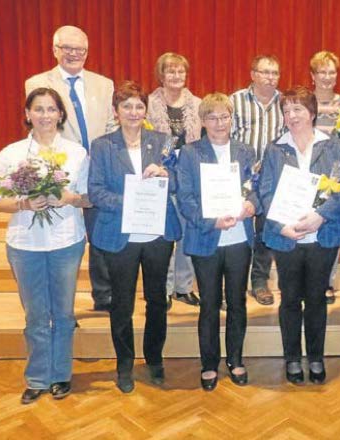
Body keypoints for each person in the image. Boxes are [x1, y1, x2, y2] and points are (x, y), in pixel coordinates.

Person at [0, 88, 91, 404]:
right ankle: (37, 377)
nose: (45, 115)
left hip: (65, 241)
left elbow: (88, 198)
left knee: (62, 313)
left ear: (61, 114)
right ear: (27, 114)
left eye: (51, 109)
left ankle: (61, 374)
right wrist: (24, 203)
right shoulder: (12, 154)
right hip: (25, 244)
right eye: (39, 109)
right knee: (35, 315)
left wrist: (68, 197)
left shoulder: (77, 153)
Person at [88, 81, 181, 393]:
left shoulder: (163, 141)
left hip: (157, 234)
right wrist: (130, 199)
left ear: (146, 110)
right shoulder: (102, 146)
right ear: (116, 111)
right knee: (122, 303)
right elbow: (96, 191)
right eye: (126, 106)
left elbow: (180, 182)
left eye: (139, 106)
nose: (133, 112)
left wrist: (167, 175)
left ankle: (154, 358)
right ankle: (124, 363)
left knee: (157, 300)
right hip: (120, 234)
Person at [258, 86, 340, 385]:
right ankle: (292, 358)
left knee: (316, 299)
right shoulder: (276, 149)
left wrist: (320, 216)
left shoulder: (333, 146)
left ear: (312, 113)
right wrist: (281, 225)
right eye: (287, 110)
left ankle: (316, 356)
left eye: (298, 109)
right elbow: (266, 192)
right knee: (289, 300)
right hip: (287, 238)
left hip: (321, 236)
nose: (292, 115)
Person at [25, 25, 117, 312]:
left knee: (100, 234)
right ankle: (63, 302)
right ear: (55, 50)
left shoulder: (104, 84)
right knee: (62, 239)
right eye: (68, 48)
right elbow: (39, 125)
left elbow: (111, 126)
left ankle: (104, 295)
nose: (75, 54)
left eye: (81, 49)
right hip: (60, 170)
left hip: (98, 171)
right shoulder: (37, 82)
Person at [176, 93, 258, 391]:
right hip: (206, 237)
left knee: (237, 302)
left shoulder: (245, 151)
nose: (219, 123)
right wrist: (212, 222)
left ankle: (235, 359)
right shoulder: (189, 153)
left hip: (238, 239)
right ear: (203, 121)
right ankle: (209, 364)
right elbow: (185, 199)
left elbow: (256, 189)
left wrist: (251, 205)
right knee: (209, 304)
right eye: (212, 117)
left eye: (224, 117)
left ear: (232, 120)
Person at [147, 52, 202, 308]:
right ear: (161, 74)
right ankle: (165, 288)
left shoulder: (199, 104)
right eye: (171, 71)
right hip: (159, 176)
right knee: (164, 234)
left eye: (180, 71)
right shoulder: (147, 105)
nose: (176, 76)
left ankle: (183, 287)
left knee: (186, 232)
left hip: (189, 177)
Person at [231, 55, 285, 306]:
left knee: (264, 230)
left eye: (275, 73)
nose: (270, 77)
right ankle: (233, 282)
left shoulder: (286, 103)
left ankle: (260, 281)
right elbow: (223, 136)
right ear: (253, 74)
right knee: (238, 230)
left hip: (272, 179)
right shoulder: (235, 101)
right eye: (265, 72)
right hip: (238, 177)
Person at [309, 50, 340, 304]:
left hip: (334, 175)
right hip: (308, 174)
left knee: (330, 227)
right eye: (322, 72)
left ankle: (326, 281)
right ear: (312, 75)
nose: (327, 77)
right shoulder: (304, 101)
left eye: (331, 71)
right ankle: (308, 281)